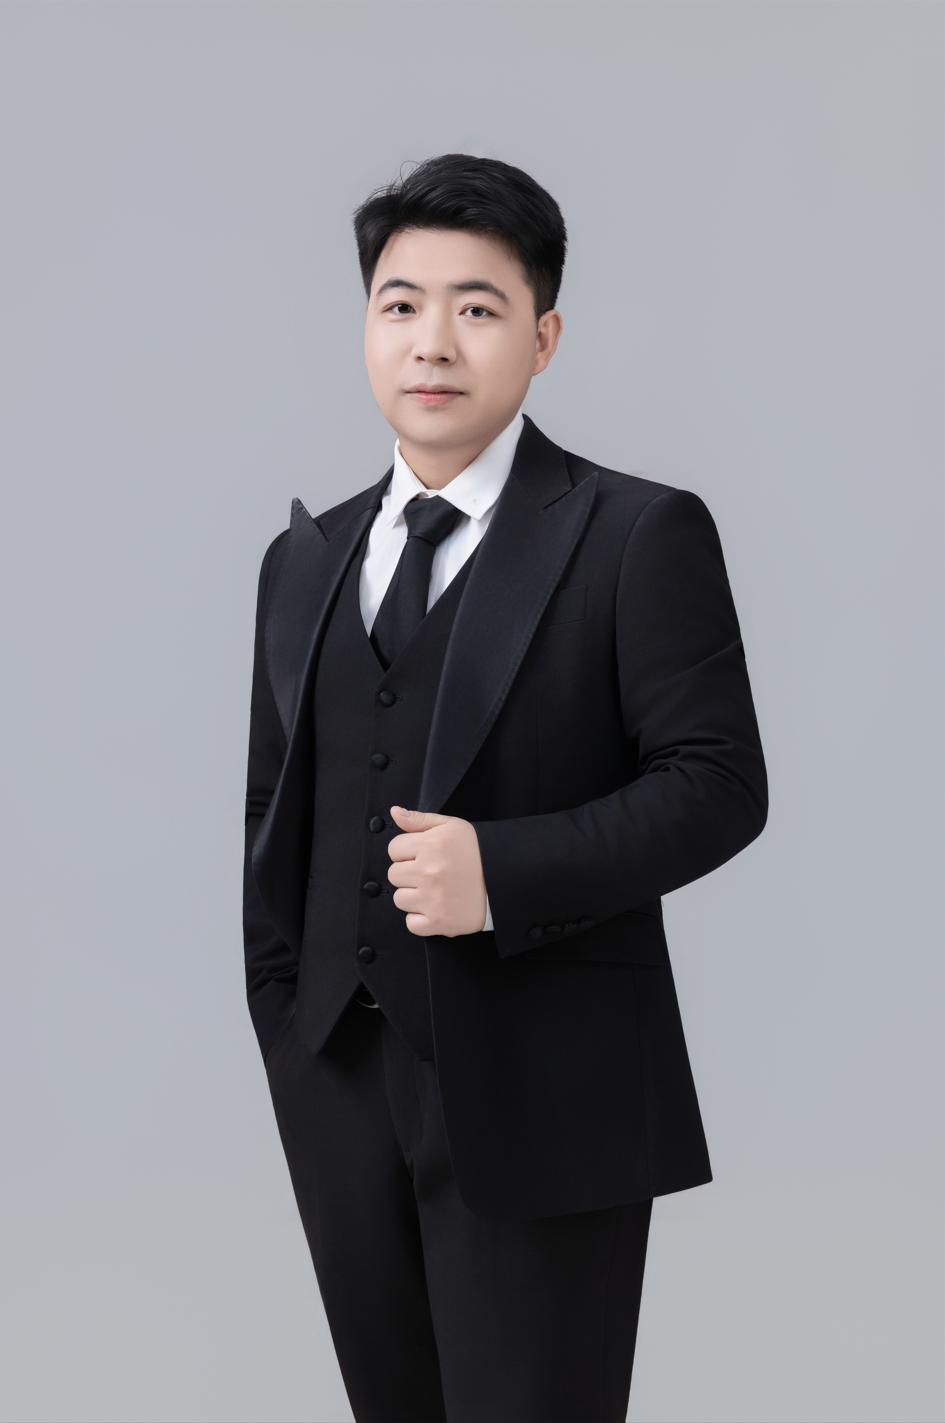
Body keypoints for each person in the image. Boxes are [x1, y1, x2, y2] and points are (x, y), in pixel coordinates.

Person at [243, 153, 767, 1423]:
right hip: (339, 1078)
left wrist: (501, 874)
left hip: (550, 1085)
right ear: (367, 327)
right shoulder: (303, 560)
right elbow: (272, 811)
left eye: (476, 307)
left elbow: (719, 783)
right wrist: (287, 1025)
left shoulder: (638, 532)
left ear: (543, 338)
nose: (433, 341)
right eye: (400, 304)